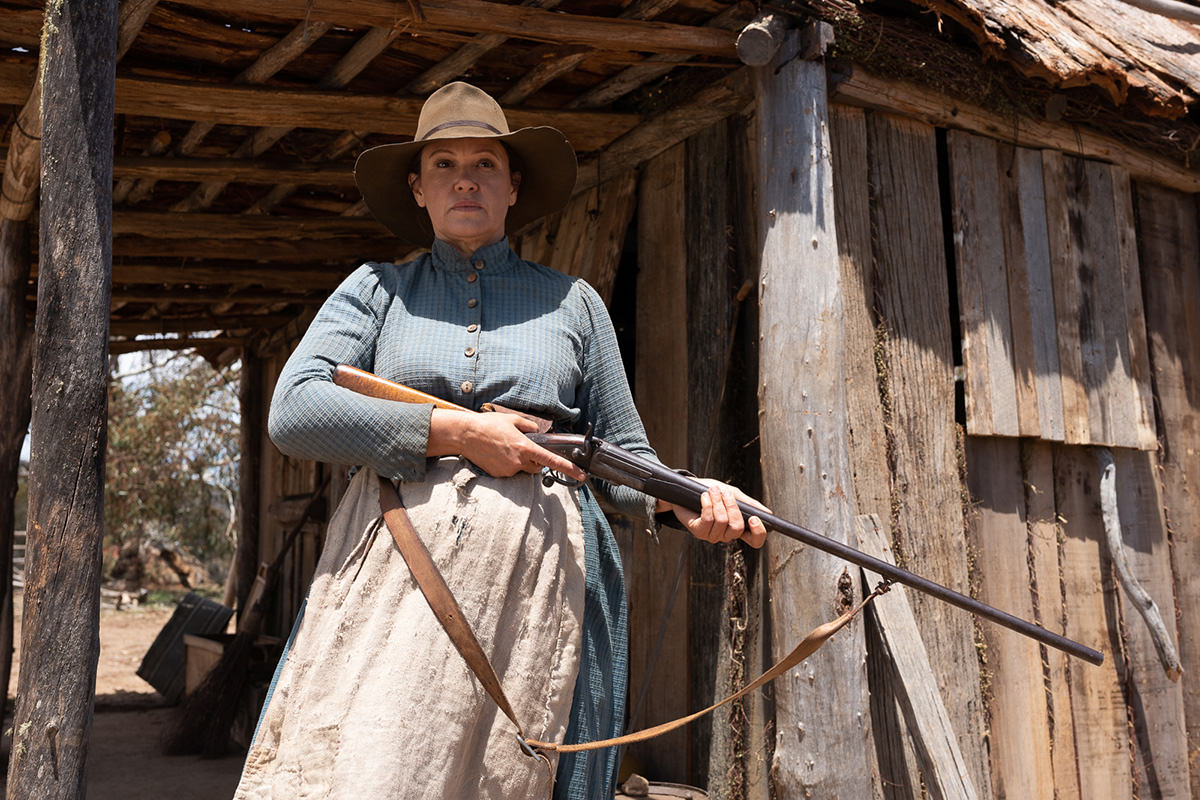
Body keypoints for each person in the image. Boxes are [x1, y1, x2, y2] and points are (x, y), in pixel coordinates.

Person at [234, 81, 765, 800]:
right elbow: (294, 411)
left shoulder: (574, 303)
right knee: (374, 767)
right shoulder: (376, 291)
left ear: (514, 186)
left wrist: (686, 499)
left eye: (484, 163)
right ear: (417, 190)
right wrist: (456, 431)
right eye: (444, 165)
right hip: (397, 571)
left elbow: (621, 456)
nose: (465, 180)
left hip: (546, 579)